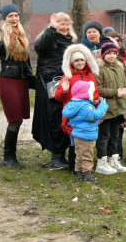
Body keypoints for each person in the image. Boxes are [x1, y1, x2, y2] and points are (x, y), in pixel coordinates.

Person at [0, 3, 34, 168]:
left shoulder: (21, 35)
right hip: (7, 80)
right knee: (14, 119)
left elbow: (26, 62)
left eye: (16, 15)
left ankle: (11, 156)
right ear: (4, 18)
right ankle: (8, 158)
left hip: (21, 81)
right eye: (10, 16)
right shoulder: (0, 34)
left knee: (19, 120)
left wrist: (32, 78)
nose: (14, 18)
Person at [32, 13, 76, 169]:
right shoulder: (48, 37)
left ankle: (61, 156)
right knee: (54, 119)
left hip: (65, 84)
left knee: (65, 117)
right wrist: (51, 28)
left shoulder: (70, 41)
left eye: (66, 24)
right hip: (49, 84)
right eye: (60, 24)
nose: (63, 27)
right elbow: (39, 47)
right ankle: (55, 157)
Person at [54, 43, 100, 174]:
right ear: (71, 62)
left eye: (81, 60)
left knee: (84, 142)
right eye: (76, 60)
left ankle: (82, 168)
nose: (79, 63)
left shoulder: (90, 76)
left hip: (86, 114)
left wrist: (97, 100)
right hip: (73, 115)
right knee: (74, 141)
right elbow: (58, 97)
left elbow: (95, 91)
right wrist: (64, 91)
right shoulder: (67, 76)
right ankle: (74, 168)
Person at [95, 37, 126, 174]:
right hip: (106, 109)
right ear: (103, 54)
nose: (112, 56)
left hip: (119, 108)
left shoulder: (119, 68)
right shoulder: (99, 69)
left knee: (115, 136)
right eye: (109, 53)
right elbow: (98, 89)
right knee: (104, 136)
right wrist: (114, 93)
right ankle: (102, 162)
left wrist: (125, 98)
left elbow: (125, 85)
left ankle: (114, 160)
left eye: (114, 53)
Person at [62, 81, 108, 184]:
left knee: (79, 155)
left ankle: (79, 173)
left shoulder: (73, 104)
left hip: (77, 135)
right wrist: (103, 106)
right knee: (87, 155)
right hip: (86, 135)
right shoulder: (85, 107)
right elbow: (96, 115)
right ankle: (88, 175)